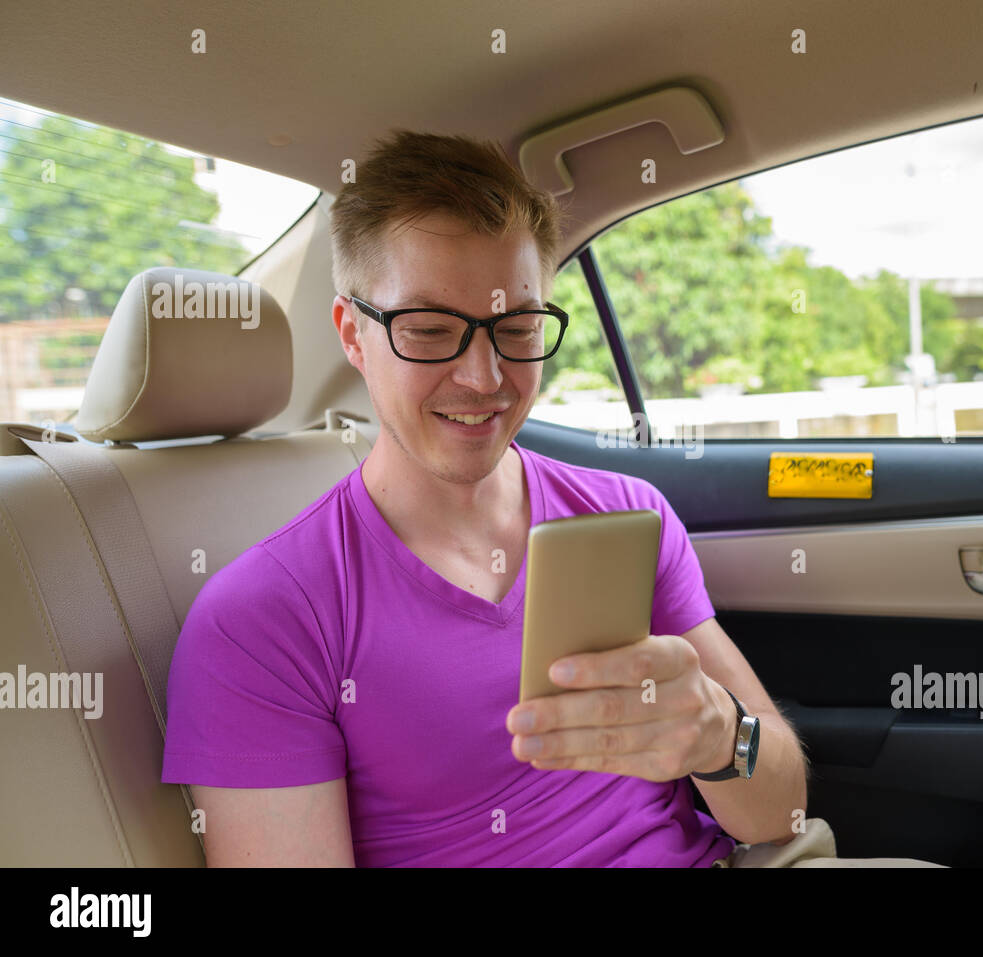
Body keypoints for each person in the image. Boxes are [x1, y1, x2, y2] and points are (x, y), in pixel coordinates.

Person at [161, 130, 939, 868]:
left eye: (517, 325)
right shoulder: (264, 619)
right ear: (353, 334)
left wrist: (717, 737)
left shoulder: (626, 518)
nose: (484, 376)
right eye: (430, 329)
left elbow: (782, 814)